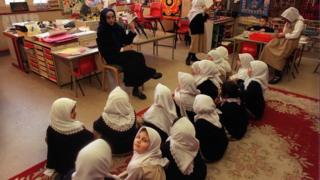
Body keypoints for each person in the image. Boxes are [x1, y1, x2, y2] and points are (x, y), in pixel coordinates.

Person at [97, 8, 162, 100]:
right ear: (104, 19)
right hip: (111, 56)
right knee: (132, 60)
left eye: (112, 17)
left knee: (139, 56)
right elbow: (106, 51)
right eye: (108, 18)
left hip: (120, 53)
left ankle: (137, 87)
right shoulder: (102, 31)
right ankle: (148, 74)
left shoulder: (116, 27)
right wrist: (123, 49)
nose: (111, 20)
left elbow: (125, 40)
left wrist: (132, 31)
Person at [43, 98, 94, 179]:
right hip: (75, 166)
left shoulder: (51, 128)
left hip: (59, 165)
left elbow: (51, 150)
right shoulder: (79, 131)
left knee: (48, 139)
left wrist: (49, 169)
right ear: (63, 114)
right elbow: (92, 139)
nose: (75, 113)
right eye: (72, 111)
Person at [260, 7, 304, 84]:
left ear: (292, 16)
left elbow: (295, 35)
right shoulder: (288, 21)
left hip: (291, 41)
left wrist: (284, 35)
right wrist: (280, 34)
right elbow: (284, 31)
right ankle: (265, 68)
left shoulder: (299, 22)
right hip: (284, 38)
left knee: (279, 54)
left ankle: (278, 75)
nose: (285, 20)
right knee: (268, 47)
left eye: (287, 19)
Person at [93, 86, 138, 155]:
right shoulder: (132, 114)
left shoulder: (105, 119)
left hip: (113, 149)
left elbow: (96, 126)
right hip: (130, 146)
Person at [193, 94, 229, 162]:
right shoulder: (216, 113)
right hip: (223, 145)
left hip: (212, 155)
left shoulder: (200, 123)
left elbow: (198, 140)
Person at [186, 0, 211, 65]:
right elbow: (203, 19)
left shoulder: (193, 11)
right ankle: (188, 57)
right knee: (194, 42)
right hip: (196, 27)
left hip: (197, 26)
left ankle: (193, 57)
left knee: (196, 41)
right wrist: (206, 12)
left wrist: (205, 12)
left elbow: (203, 19)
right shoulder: (198, 12)